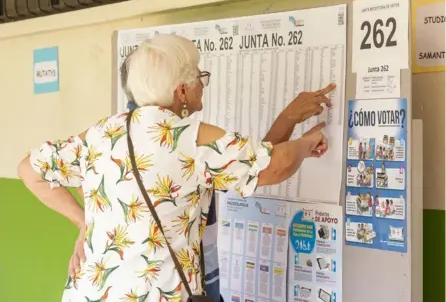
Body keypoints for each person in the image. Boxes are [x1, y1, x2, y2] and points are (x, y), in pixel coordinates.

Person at [18, 34, 333, 302]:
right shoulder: (191, 139)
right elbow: (274, 166)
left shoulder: (102, 133)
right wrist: (306, 143)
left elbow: (29, 171)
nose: (202, 85)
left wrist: (83, 222)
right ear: (182, 91)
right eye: (199, 78)